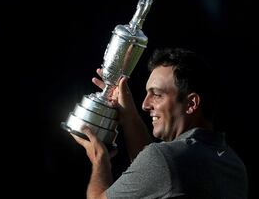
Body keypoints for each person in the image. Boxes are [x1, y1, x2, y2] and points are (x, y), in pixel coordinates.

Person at [71, 47, 248, 198]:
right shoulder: (234, 165)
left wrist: (100, 161)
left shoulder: (165, 160)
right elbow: (155, 173)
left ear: (191, 103)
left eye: (157, 95)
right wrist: (129, 116)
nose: (145, 105)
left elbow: (159, 165)